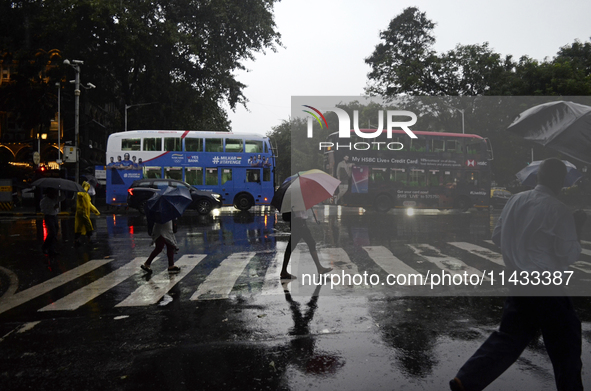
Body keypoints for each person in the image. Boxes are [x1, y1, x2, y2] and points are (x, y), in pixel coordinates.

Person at [450, 158, 587, 391]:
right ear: (561, 181)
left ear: (539, 177)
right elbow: (568, 254)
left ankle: (467, 379)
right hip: (546, 285)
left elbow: (497, 236)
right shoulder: (560, 210)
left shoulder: (515, 200)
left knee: (509, 338)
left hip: (519, 281)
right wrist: (575, 230)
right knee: (566, 342)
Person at [280, 209, 333, 279]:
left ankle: (283, 271)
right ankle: (319, 268)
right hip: (299, 223)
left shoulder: (299, 200)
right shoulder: (297, 200)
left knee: (304, 244)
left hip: (300, 223)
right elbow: (298, 213)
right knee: (310, 243)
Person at [40, 188, 66, 257]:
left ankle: (52, 249)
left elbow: (62, 198)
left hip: (54, 216)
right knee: (52, 232)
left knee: (55, 233)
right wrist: (53, 207)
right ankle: (45, 246)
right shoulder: (44, 201)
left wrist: (62, 190)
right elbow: (43, 210)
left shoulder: (54, 199)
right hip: (49, 217)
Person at [74, 181, 100, 246]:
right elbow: (81, 195)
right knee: (88, 225)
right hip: (82, 213)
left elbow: (89, 204)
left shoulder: (87, 195)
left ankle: (78, 240)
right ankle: (88, 239)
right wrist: (85, 189)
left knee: (80, 227)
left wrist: (95, 210)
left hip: (84, 213)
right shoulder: (80, 193)